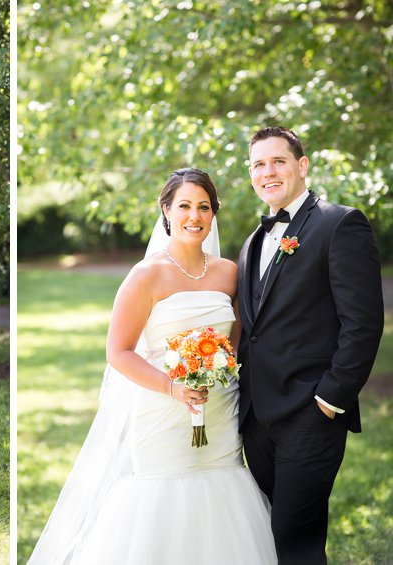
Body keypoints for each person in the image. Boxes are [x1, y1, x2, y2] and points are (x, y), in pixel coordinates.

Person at [28, 168, 277, 564]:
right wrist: (173, 387)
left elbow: (235, 340)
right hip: (164, 410)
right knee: (162, 498)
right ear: (166, 210)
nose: (194, 216)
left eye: (203, 207)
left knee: (223, 493)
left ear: (214, 214)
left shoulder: (230, 273)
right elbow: (119, 352)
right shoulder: (146, 276)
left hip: (218, 409)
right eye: (184, 206)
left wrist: (217, 370)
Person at [237, 127, 384, 564]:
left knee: (294, 538)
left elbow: (362, 323)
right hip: (256, 418)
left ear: (302, 166)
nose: (268, 172)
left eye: (278, 161)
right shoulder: (254, 240)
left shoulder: (340, 223)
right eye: (258, 164)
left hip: (310, 412)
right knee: (268, 532)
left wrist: (330, 399)